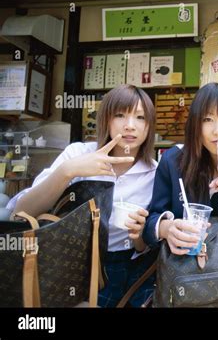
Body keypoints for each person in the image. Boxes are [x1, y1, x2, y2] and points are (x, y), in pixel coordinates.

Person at [7, 84, 158, 307]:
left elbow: (143, 247)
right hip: (65, 259)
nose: (130, 126)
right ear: (106, 119)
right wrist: (68, 171)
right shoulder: (78, 153)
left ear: (149, 127)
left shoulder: (154, 173)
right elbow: (21, 211)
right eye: (120, 115)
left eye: (140, 117)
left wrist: (138, 238)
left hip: (120, 266)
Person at [142, 82, 218, 255]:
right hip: (181, 273)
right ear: (195, 125)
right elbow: (150, 223)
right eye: (207, 119)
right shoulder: (174, 160)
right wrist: (166, 228)